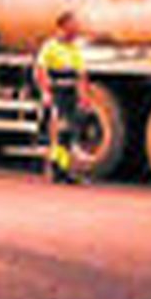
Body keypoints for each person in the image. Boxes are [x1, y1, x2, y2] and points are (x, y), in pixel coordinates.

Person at [34, 10, 95, 183]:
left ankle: (62, 169)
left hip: (70, 93)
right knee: (59, 130)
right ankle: (55, 168)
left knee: (68, 133)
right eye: (73, 25)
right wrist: (46, 92)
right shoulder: (50, 47)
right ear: (62, 26)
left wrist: (84, 97)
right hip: (56, 92)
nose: (77, 29)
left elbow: (81, 75)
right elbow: (41, 71)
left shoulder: (74, 49)